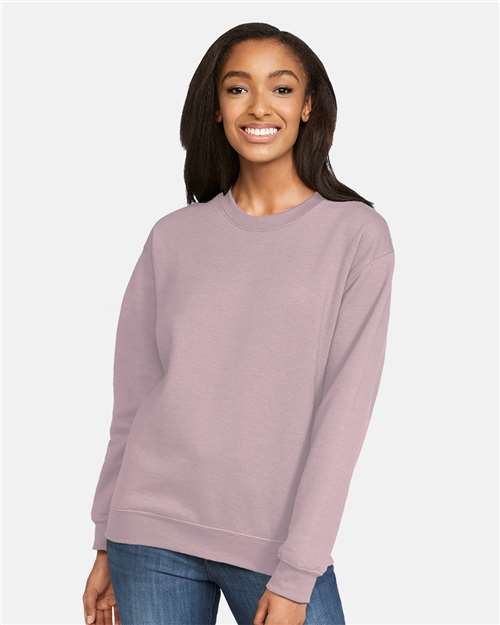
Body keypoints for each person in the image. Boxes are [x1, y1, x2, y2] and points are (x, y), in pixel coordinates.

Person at [82, 21, 395, 625]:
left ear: (308, 106)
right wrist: (104, 540)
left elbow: (344, 416)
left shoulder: (357, 235)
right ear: (216, 108)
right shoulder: (173, 236)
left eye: (281, 88)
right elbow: (134, 400)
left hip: (273, 544)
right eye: (237, 88)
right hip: (147, 532)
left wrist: (299, 570)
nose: (258, 107)